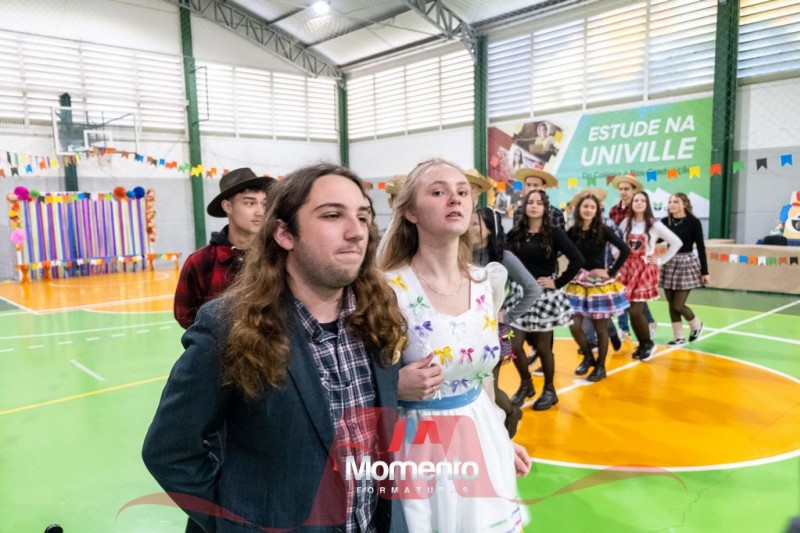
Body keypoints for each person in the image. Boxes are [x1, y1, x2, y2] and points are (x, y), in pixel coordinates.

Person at [143, 163, 408, 533]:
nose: (356, 232)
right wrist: (235, 522)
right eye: (332, 215)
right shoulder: (227, 327)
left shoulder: (380, 312)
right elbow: (170, 449)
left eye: (363, 216)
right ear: (284, 233)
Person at [380, 158, 531, 532]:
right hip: (418, 448)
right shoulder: (386, 289)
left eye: (463, 192)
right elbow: (352, 380)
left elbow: (484, 380)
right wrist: (393, 385)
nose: (455, 199)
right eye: (438, 192)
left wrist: (499, 440)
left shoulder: (485, 283)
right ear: (411, 212)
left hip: (481, 440)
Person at [506, 190, 584, 410]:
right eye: (530, 202)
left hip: (543, 296)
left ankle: (550, 390)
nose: (534, 206)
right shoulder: (516, 233)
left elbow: (578, 259)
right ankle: (526, 384)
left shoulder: (554, 233)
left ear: (545, 208)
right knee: (514, 345)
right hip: (519, 295)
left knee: (543, 347)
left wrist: (557, 282)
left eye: (539, 203)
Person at [174, 168, 275, 329]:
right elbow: (184, 315)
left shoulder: (276, 255)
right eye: (249, 203)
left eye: (264, 204)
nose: (260, 212)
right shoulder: (200, 262)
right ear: (228, 206)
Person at [471, 206, 542, 436]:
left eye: (475, 224)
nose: (470, 228)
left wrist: (508, 316)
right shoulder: (459, 252)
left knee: (488, 386)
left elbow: (533, 289)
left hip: (492, 330)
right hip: (467, 327)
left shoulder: (504, 257)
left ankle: (512, 412)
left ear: (490, 229)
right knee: (472, 385)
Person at [564, 192, 631, 382]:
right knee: (574, 324)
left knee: (600, 327)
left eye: (592, 207)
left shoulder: (603, 230)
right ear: (579, 209)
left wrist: (610, 272)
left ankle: (600, 367)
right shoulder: (573, 231)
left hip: (597, 284)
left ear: (597, 210)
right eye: (585, 206)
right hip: (578, 283)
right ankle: (588, 357)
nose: (588, 210)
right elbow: (561, 249)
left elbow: (625, 249)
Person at [616, 191, 682, 361]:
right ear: (631, 204)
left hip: (644, 269)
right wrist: (617, 255)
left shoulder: (654, 224)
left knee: (636, 311)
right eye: (636, 200)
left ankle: (648, 343)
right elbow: (617, 242)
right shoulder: (625, 223)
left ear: (647, 204)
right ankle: (642, 344)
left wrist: (660, 260)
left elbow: (676, 242)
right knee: (630, 310)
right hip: (627, 269)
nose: (639, 203)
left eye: (642, 200)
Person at [608, 174, 657, 340]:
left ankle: (648, 322)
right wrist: (614, 253)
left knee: (635, 294)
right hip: (617, 256)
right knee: (621, 293)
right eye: (621, 189)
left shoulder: (640, 209)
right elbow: (613, 234)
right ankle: (624, 329)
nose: (623, 192)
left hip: (636, 259)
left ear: (634, 191)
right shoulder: (614, 210)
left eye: (627, 189)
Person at [661, 193, 709, 344]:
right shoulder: (664, 222)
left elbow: (701, 247)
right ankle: (678, 337)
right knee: (671, 305)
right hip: (669, 263)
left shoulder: (693, 222)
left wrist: (705, 272)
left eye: (676, 201)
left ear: (685, 204)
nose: (672, 204)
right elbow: (656, 238)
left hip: (686, 264)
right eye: (670, 202)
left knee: (678, 304)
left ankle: (696, 324)